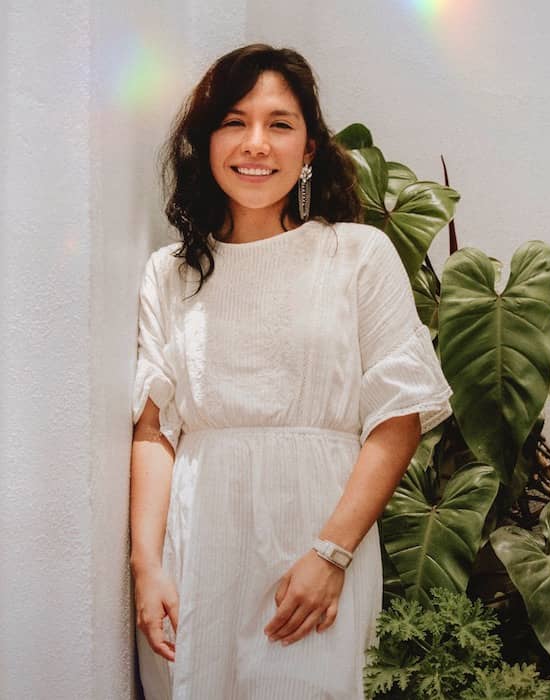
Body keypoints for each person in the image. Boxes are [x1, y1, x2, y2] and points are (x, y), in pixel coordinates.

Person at [130, 43, 453, 700]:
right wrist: (146, 567)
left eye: (279, 124)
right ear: (207, 139)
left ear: (308, 149)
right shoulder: (171, 273)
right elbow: (154, 429)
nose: (256, 143)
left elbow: (399, 416)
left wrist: (331, 554)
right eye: (234, 121)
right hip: (196, 553)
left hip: (314, 546)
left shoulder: (357, 255)